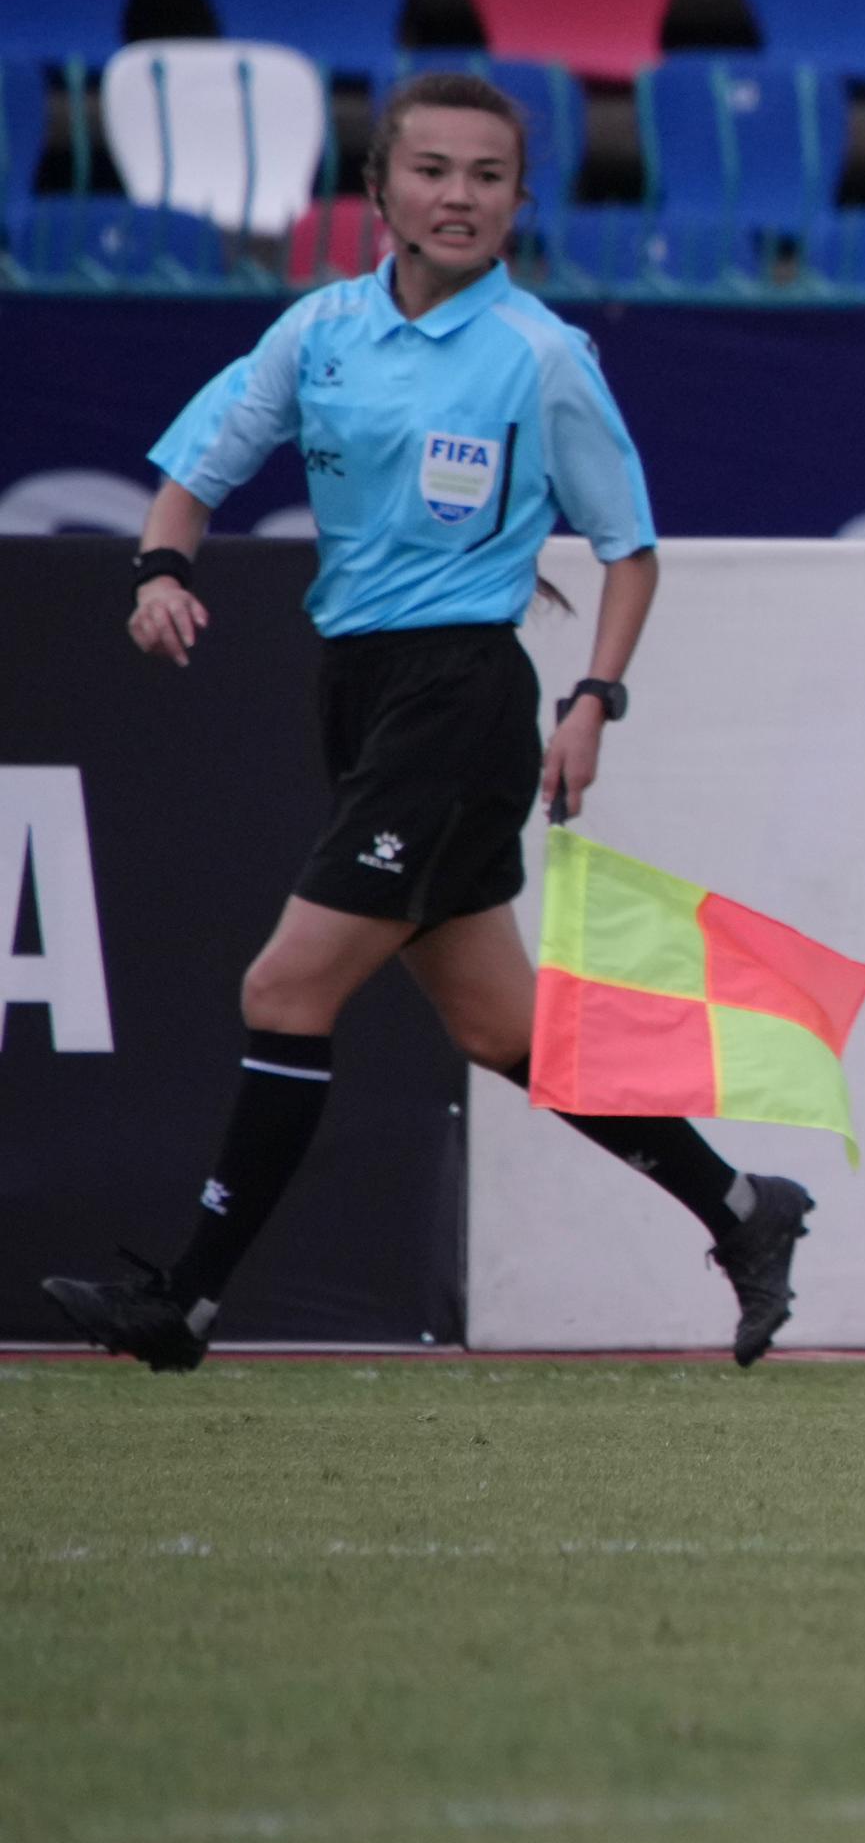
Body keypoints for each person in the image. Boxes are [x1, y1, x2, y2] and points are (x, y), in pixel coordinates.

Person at [38, 69, 817, 1375]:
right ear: (379, 189)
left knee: (284, 984)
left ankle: (189, 1302)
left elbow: (628, 551)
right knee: (500, 1031)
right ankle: (747, 1211)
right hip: (358, 693)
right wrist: (157, 572)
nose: (459, 196)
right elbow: (193, 474)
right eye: (433, 170)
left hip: (460, 702)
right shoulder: (319, 332)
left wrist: (593, 700)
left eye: (488, 176)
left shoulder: (544, 356)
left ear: (520, 199)